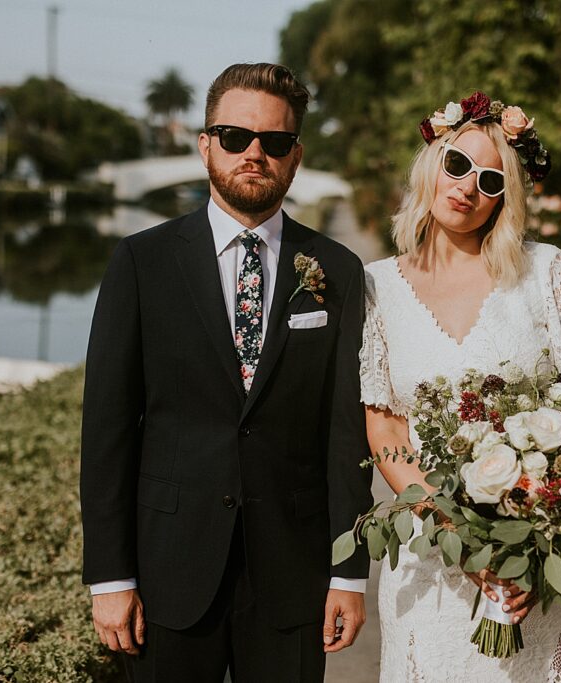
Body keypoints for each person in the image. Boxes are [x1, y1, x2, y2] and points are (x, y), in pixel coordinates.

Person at [80, 62, 373, 682]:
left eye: (276, 141)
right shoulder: (140, 263)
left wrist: (349, 572)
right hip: (168, 577)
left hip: (294, 581)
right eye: (237, 137)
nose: (254, 153)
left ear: (296, 157)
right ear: (205, 144)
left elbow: (346, 435)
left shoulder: (339, 271)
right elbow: (107, 431)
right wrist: (110, 576)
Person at [360, 93, 561, 681]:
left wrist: (545, 523)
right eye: (458, 166)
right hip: (433, 556)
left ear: (505, 200)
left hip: (541, 557)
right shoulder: (377, 287)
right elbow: (385, 426)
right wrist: (457, 529)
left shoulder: (545, 270)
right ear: (432, 164)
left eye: (490, 180)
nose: (467, 187)